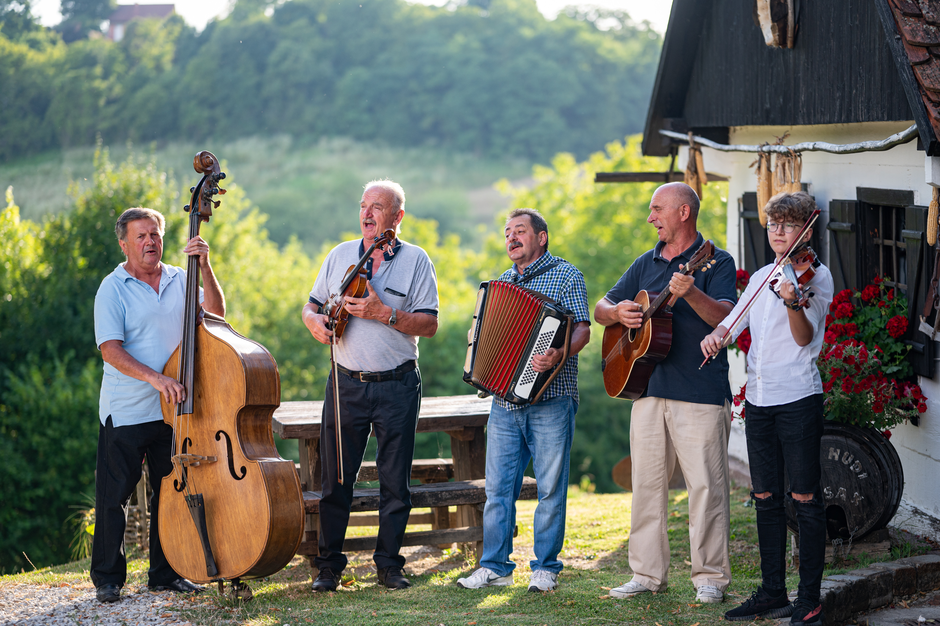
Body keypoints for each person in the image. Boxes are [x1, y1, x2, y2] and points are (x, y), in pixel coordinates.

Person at [594, 182, 737, 604]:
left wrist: (689, 291)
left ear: (683, 213)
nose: (651, 217)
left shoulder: (717, 262)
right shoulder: (646, 261)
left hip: (700, 390)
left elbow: (725, 319)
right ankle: (646, 574)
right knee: (647, 486)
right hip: (648, 389)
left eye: (657, 209)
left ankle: (710, 578)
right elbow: (602, 307)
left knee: (706, 488)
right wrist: (617, 312)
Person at [701, 192, 832, 625]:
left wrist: (794, 301)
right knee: (765, 499)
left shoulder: (817, 278)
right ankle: (772, 590)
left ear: (806, 231)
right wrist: (716, 335)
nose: (777, 231)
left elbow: (802, 337)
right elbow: (733, 319)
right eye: (773, 223)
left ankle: (808, 598)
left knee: (805, 499)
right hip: (758, 401)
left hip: (797, 398)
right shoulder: (762, 275)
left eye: (787, 225)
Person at [302, 180, 439, 592]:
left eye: (377, 207)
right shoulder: (340, 255)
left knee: (395, 481)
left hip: (397, 384)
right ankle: (328, 567)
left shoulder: (416, 260)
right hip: (346, 383)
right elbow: (311, 306)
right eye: (363, 205)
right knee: (336, 478)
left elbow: (430, 324)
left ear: (396, 217)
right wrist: (314, 323)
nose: (367, 213)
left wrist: (385, 313)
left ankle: (389, 566)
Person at [92, 207, 225, 603]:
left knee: (171, 494)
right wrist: (157, 378)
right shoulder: (112, 288)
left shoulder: (181, 278)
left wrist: (205, 267)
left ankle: (165, 574)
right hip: (128, 408)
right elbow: (110, 350)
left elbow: (217, 315)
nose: (150, 242)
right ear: (124, 244)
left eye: (155, 235)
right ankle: (108, 579)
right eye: (141, 237)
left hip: (175, 412)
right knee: (114, 497)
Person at [456, 208, 591, 593]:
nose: (511, 238)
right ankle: (495, 566)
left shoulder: (566, 274)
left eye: (520, 231)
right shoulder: (501, 282)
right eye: (507, 233)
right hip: (505, 402)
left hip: (553, 399)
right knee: (497, 489)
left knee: (550, 488)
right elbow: (489, 335)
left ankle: (545, 568)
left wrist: (557, 355)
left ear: (541, 237)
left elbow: (582, 329)